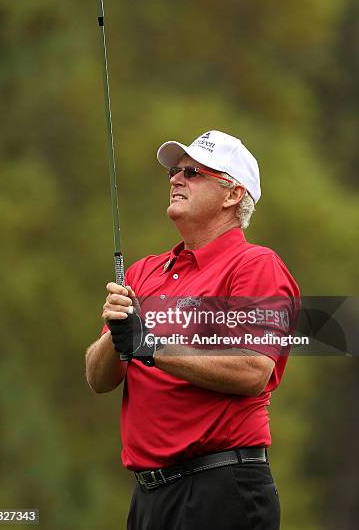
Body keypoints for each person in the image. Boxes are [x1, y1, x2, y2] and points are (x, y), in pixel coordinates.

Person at [86, 130, 300, 530]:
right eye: (174, 171)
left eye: (192, 172)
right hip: (149, 496)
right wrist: (116, 335)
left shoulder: (255, 265)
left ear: (232, 195)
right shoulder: (143, 271)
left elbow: (254, 371)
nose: (175, 180)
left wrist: (151, 346)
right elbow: (99, 380)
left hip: (220, 487)